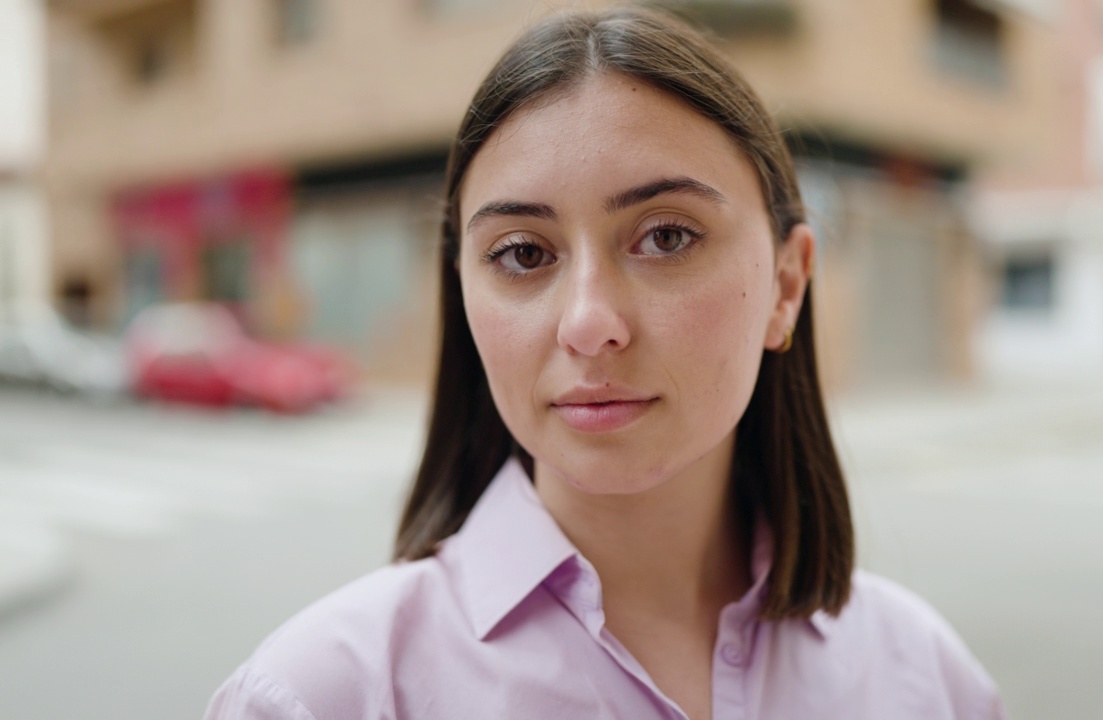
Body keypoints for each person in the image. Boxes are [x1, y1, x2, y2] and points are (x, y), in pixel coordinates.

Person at [206, 7, 1004, 720]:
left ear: (786, 285)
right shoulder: (325, 697)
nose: (590, 324)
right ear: (464, 297)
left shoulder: (925, 682)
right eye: (522, 253)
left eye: (667, 237)